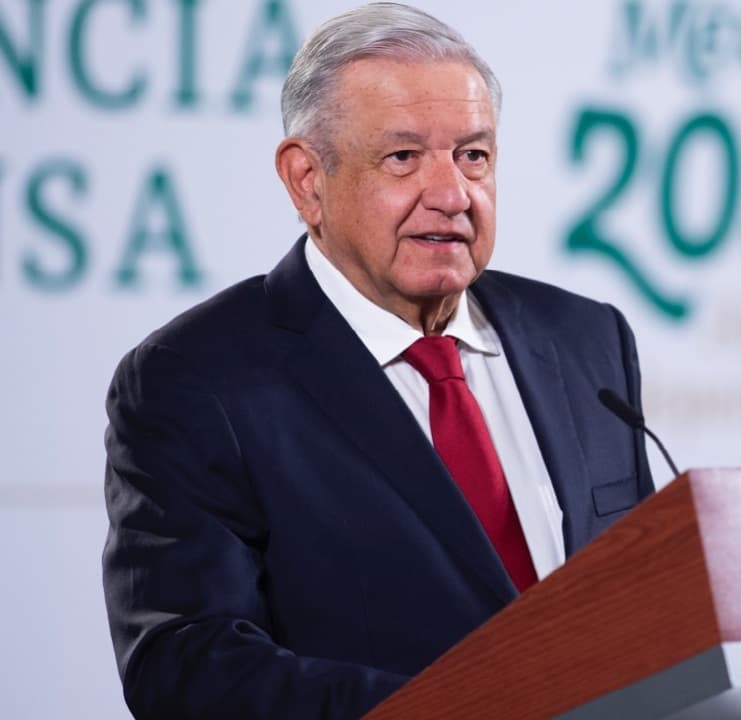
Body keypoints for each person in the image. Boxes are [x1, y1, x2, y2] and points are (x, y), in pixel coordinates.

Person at [101, 4, 654, 718]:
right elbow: (186, 667)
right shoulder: (196, 380)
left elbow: (641, 596)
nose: (452, 195)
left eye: (473, 156)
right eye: (403, 158)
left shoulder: (585, 338)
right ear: (307, 179)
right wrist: (463, 708)